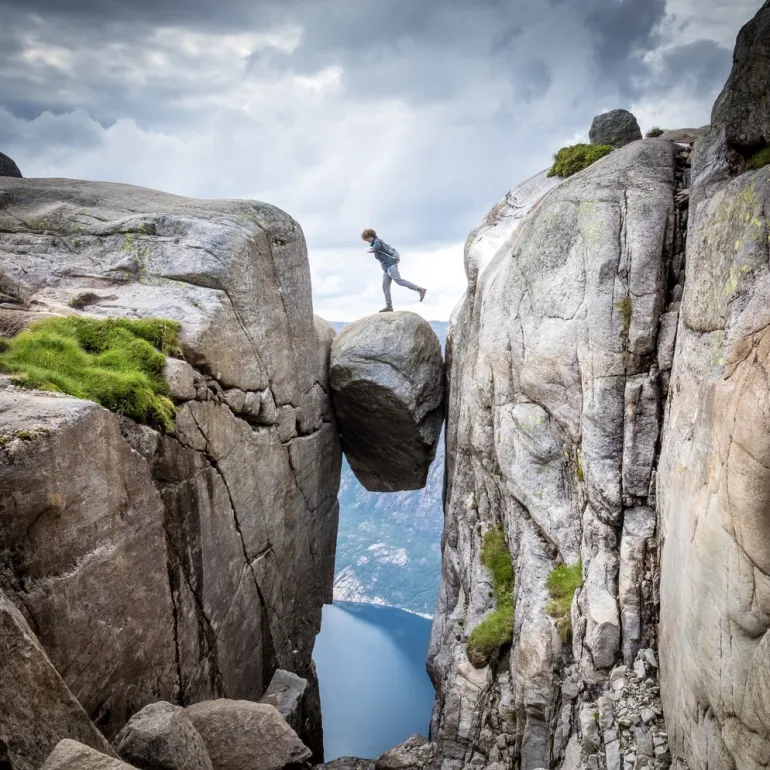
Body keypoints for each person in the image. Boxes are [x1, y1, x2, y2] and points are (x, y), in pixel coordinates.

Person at [361, 228, 427, 312]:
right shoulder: (376, 243)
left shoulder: (377, 242)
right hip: (386, 268)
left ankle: (420, 289)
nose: (367, 241)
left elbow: (377, 247)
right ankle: (389, 306)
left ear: (370, 236)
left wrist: (373, 249)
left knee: (399, 281)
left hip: (391, 265)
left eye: (367, 239)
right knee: (385, 287)